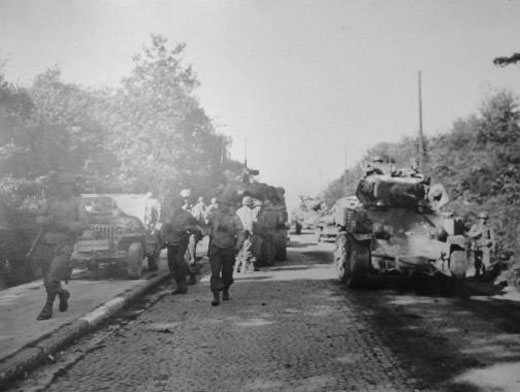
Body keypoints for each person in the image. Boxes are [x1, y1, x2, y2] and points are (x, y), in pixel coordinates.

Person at [35, 173, 87, 321]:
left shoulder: (78, 202)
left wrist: (66, 225)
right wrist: (46, 220)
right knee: (48, 279)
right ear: (59, 187)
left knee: (52, 278)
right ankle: (63, 294)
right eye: (62, 185)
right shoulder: (50, 202)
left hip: (64, 244)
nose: (65, 188)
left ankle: (48, 307)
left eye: (68, 185)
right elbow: (38, 217)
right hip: (46, 244)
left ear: (72, 187)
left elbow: (84, 223)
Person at [207, 195, 245, 306]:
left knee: (227, 271)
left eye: (225, 204)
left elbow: (240, 231)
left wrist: (238, 244)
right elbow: (206, 226)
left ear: (228, 205)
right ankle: (215, 295)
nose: (222, 206)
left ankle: (225, 290)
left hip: (229, 247)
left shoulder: (234, 217)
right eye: (220, 204)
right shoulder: (213, 215)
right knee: (215, 271)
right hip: (215, 246)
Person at [162, 192, 201, 294]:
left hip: (182, 240)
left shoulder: (187, 215)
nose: (175, 205)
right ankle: (180, 285)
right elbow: (164, 228)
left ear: (181, 204)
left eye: (177, 203)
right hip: (171, 241)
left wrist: (187, 229)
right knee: (172, 264)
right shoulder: (169, 215)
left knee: (179, 260)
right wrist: (163, 239)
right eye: (173, 203)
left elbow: (197, 228)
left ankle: (189, 275)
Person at [468, 211, 496, 277]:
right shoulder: (475, 226)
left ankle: (486, 274)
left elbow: (492, 238)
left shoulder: (488, 227)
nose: (483, 220)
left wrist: (493, 246)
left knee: (486, 261)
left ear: (486, 219)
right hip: (477, 246)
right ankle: (477, 273)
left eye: (485, 218)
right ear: (479, 219)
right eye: (482, 218)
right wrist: (477, 233)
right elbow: (469, 234)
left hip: (486, 246)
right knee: (477, 261)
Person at [235, 196, 258, 274]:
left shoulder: (238, 211)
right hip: (246, 232)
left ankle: (236, 267)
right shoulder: (249, 211)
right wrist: (252, 232)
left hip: (238, 233)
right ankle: (245, 268)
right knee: (248, 249)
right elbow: (250, 223)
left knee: (239, 250)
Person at [256, 198, 280, 267]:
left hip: (265, 230)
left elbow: (261, 222)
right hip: (273, 230)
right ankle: (271, 261)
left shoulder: (263, 212)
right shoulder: (275, 212)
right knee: (272, 246)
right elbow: (278, 221)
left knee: (265, 247)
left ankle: (266, 261)